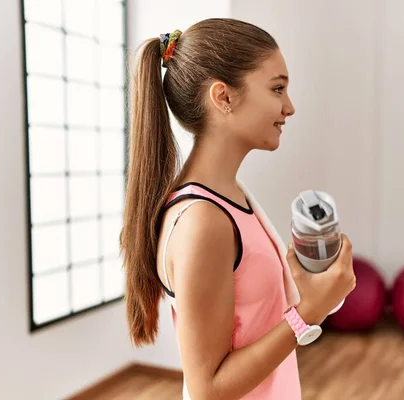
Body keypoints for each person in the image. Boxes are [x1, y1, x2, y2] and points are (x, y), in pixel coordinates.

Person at [120, 18, 356, 400]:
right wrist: (308, 312)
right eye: (277, 88)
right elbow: (207, 390)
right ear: (223, 97)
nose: (289, 107)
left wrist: (314, 287)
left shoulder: (230, 198)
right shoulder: (203, 221)